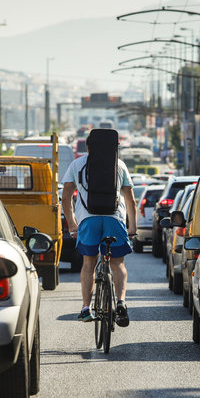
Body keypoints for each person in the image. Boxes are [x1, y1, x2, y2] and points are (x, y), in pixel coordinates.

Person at [62, 129, 137, 326]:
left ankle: (86, 308)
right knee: (117, 263)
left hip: (88, 220)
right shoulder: (119, 165)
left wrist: (72, 223)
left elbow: (66, 195)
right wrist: (132, 228)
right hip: (114, 219)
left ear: (88, 147)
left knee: (89, 263)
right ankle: (120, 302)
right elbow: (130, 199)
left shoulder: (77, 164)